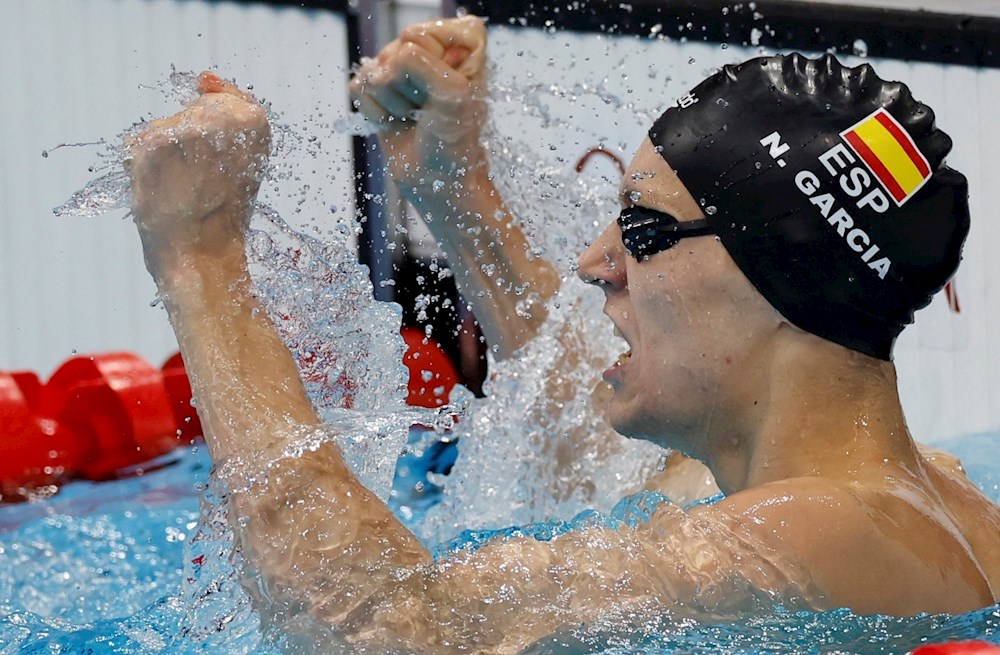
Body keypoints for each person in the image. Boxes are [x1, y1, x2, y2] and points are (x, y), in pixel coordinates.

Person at [126, 16, 1000, 652]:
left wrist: (200, 261)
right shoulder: (931, 499)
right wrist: (456, 185)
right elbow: (588, 450)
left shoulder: (816, 530)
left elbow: (388, 630)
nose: (594, 262)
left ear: (781, 276)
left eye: (644, 230)